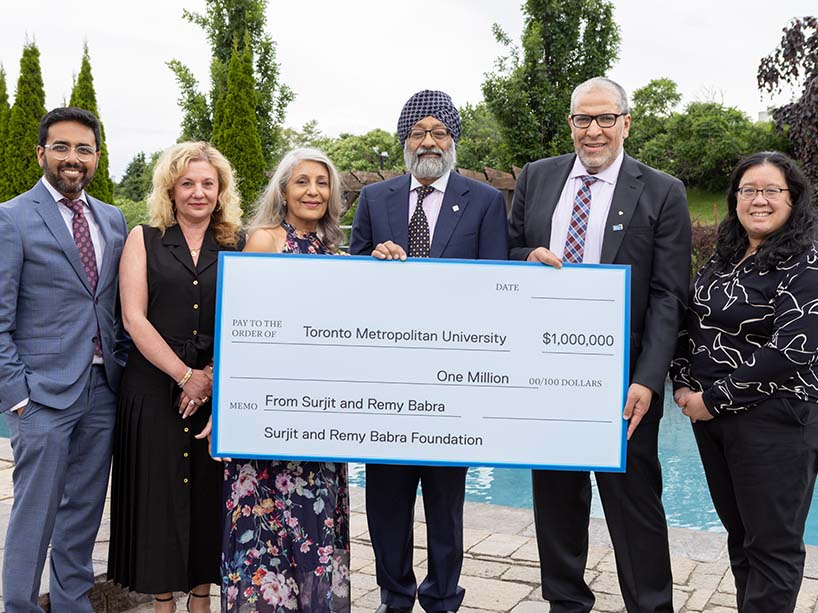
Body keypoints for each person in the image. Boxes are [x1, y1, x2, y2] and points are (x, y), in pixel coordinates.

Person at [508, 77, 692, 613]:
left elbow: (668, 295)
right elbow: (510, 247)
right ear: (570, 123)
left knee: (634, 506)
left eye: (605, 118)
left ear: (626, 123)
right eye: (582, 119)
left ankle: (650, 606)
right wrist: (524, 260)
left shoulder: (662, 190)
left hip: (624, 380)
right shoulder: (537, 178)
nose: (593, 131)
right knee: (557, 502)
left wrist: (647, 379)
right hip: (548, 372)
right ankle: (565, 603)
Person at [349, 90, 508, 613]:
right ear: (404, 141)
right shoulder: (376, 199)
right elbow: (351, 285)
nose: (428, 141)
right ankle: (394, 595)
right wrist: (373, 260)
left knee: (446, 504)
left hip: (453, 382)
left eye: (439, 132)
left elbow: (495, 289)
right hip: (387, 382)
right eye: (418, 132)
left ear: (453, 141)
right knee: (386, 503)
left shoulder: (484, 201)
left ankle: (443, 597)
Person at [671, 152, 818, 612]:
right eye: (748, 190)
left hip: (775, 422)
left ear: (793, 199)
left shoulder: (809, 260)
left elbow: (792, 348)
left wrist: (713, 400)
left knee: (773, 548)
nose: (759, 200)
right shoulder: (728, 255)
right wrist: (680, 383)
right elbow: (691, 321)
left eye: (772, 190)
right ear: (735, 198)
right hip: (713, 421)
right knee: (743, 538)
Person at [0, 107, 130, 612]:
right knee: (34, 516)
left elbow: (111, 304)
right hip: (41, 396)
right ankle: (19, 607)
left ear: (96, 157)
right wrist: (17, 397)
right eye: (62, 147)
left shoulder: (112, 218)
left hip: (101, 390)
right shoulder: (11, 218)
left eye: (83, 149)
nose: (72, 159)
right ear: (41, 153)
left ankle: (74, 604)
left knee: (82, 515)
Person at [107, 141, 244, 612]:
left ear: (221, 190)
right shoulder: (142, 238)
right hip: (151, 389)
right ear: (170, 189)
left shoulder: (237, 244)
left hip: (214, 389)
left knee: (209, 494)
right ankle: (163, 600)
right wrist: (186, 375)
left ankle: (201, 598)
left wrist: (209, 376)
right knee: (157, 498)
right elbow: (134, 318)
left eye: (208, 183)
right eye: (187, 183)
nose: (198, 192)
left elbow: (247, 321)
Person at [214, 147, 351, 612]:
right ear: (284, 190)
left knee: (315, 541)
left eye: (322, 182)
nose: (313, 191)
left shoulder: (338, 252)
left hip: (320, 422)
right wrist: (233, 409)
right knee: (264, 548)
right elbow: (245, 331)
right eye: (302, 181)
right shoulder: (264, 240)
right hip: (271, 420)